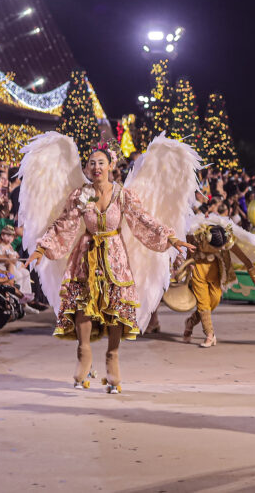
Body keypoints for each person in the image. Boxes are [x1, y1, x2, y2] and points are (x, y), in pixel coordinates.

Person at [24, 144, 196, 393]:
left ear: (111, 166)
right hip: (86, 256)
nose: (96, 167)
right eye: (92, 163)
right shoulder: (81, 195)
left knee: (116, 307)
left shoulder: (123, 195)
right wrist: (42, 248)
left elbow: (143, 220)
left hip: (115, 257)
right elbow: (64, 223)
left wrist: (171, 238)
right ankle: (84, 353)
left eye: (101, 163)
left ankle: (112, 356)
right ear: (86, 168)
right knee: (82, 305)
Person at [177, 214, 255, 347]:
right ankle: (210, 335)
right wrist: (187, 264)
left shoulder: (227, 240)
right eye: (218, 248)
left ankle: (190, 322)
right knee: (203, 304)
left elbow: (247, 262)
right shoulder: (197, 235)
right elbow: (186, 250)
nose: (222, 249)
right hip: (198, 269)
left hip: (216, 271)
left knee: (213, 302)